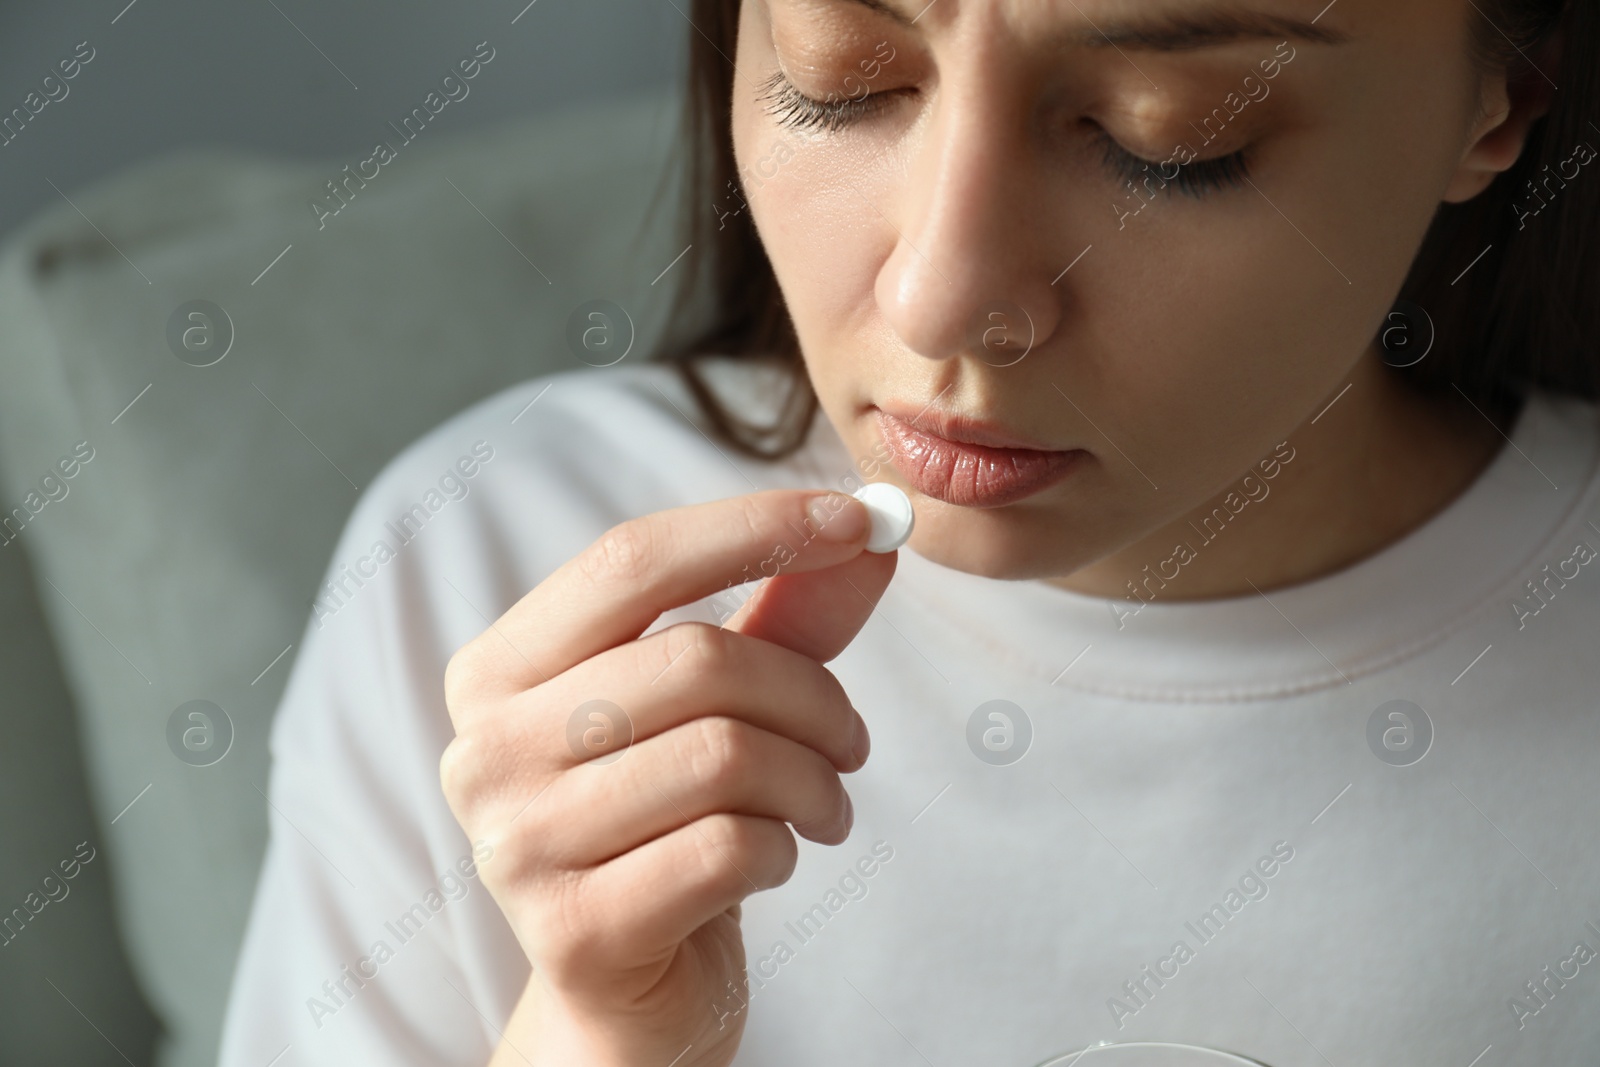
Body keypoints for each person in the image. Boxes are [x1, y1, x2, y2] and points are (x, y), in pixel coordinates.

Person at [219, 1, 1600, 1064]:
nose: (944, 299)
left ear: (1506, 88)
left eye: (1171, 139)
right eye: (843, 81)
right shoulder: (493, 556)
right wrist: (592, 1036)